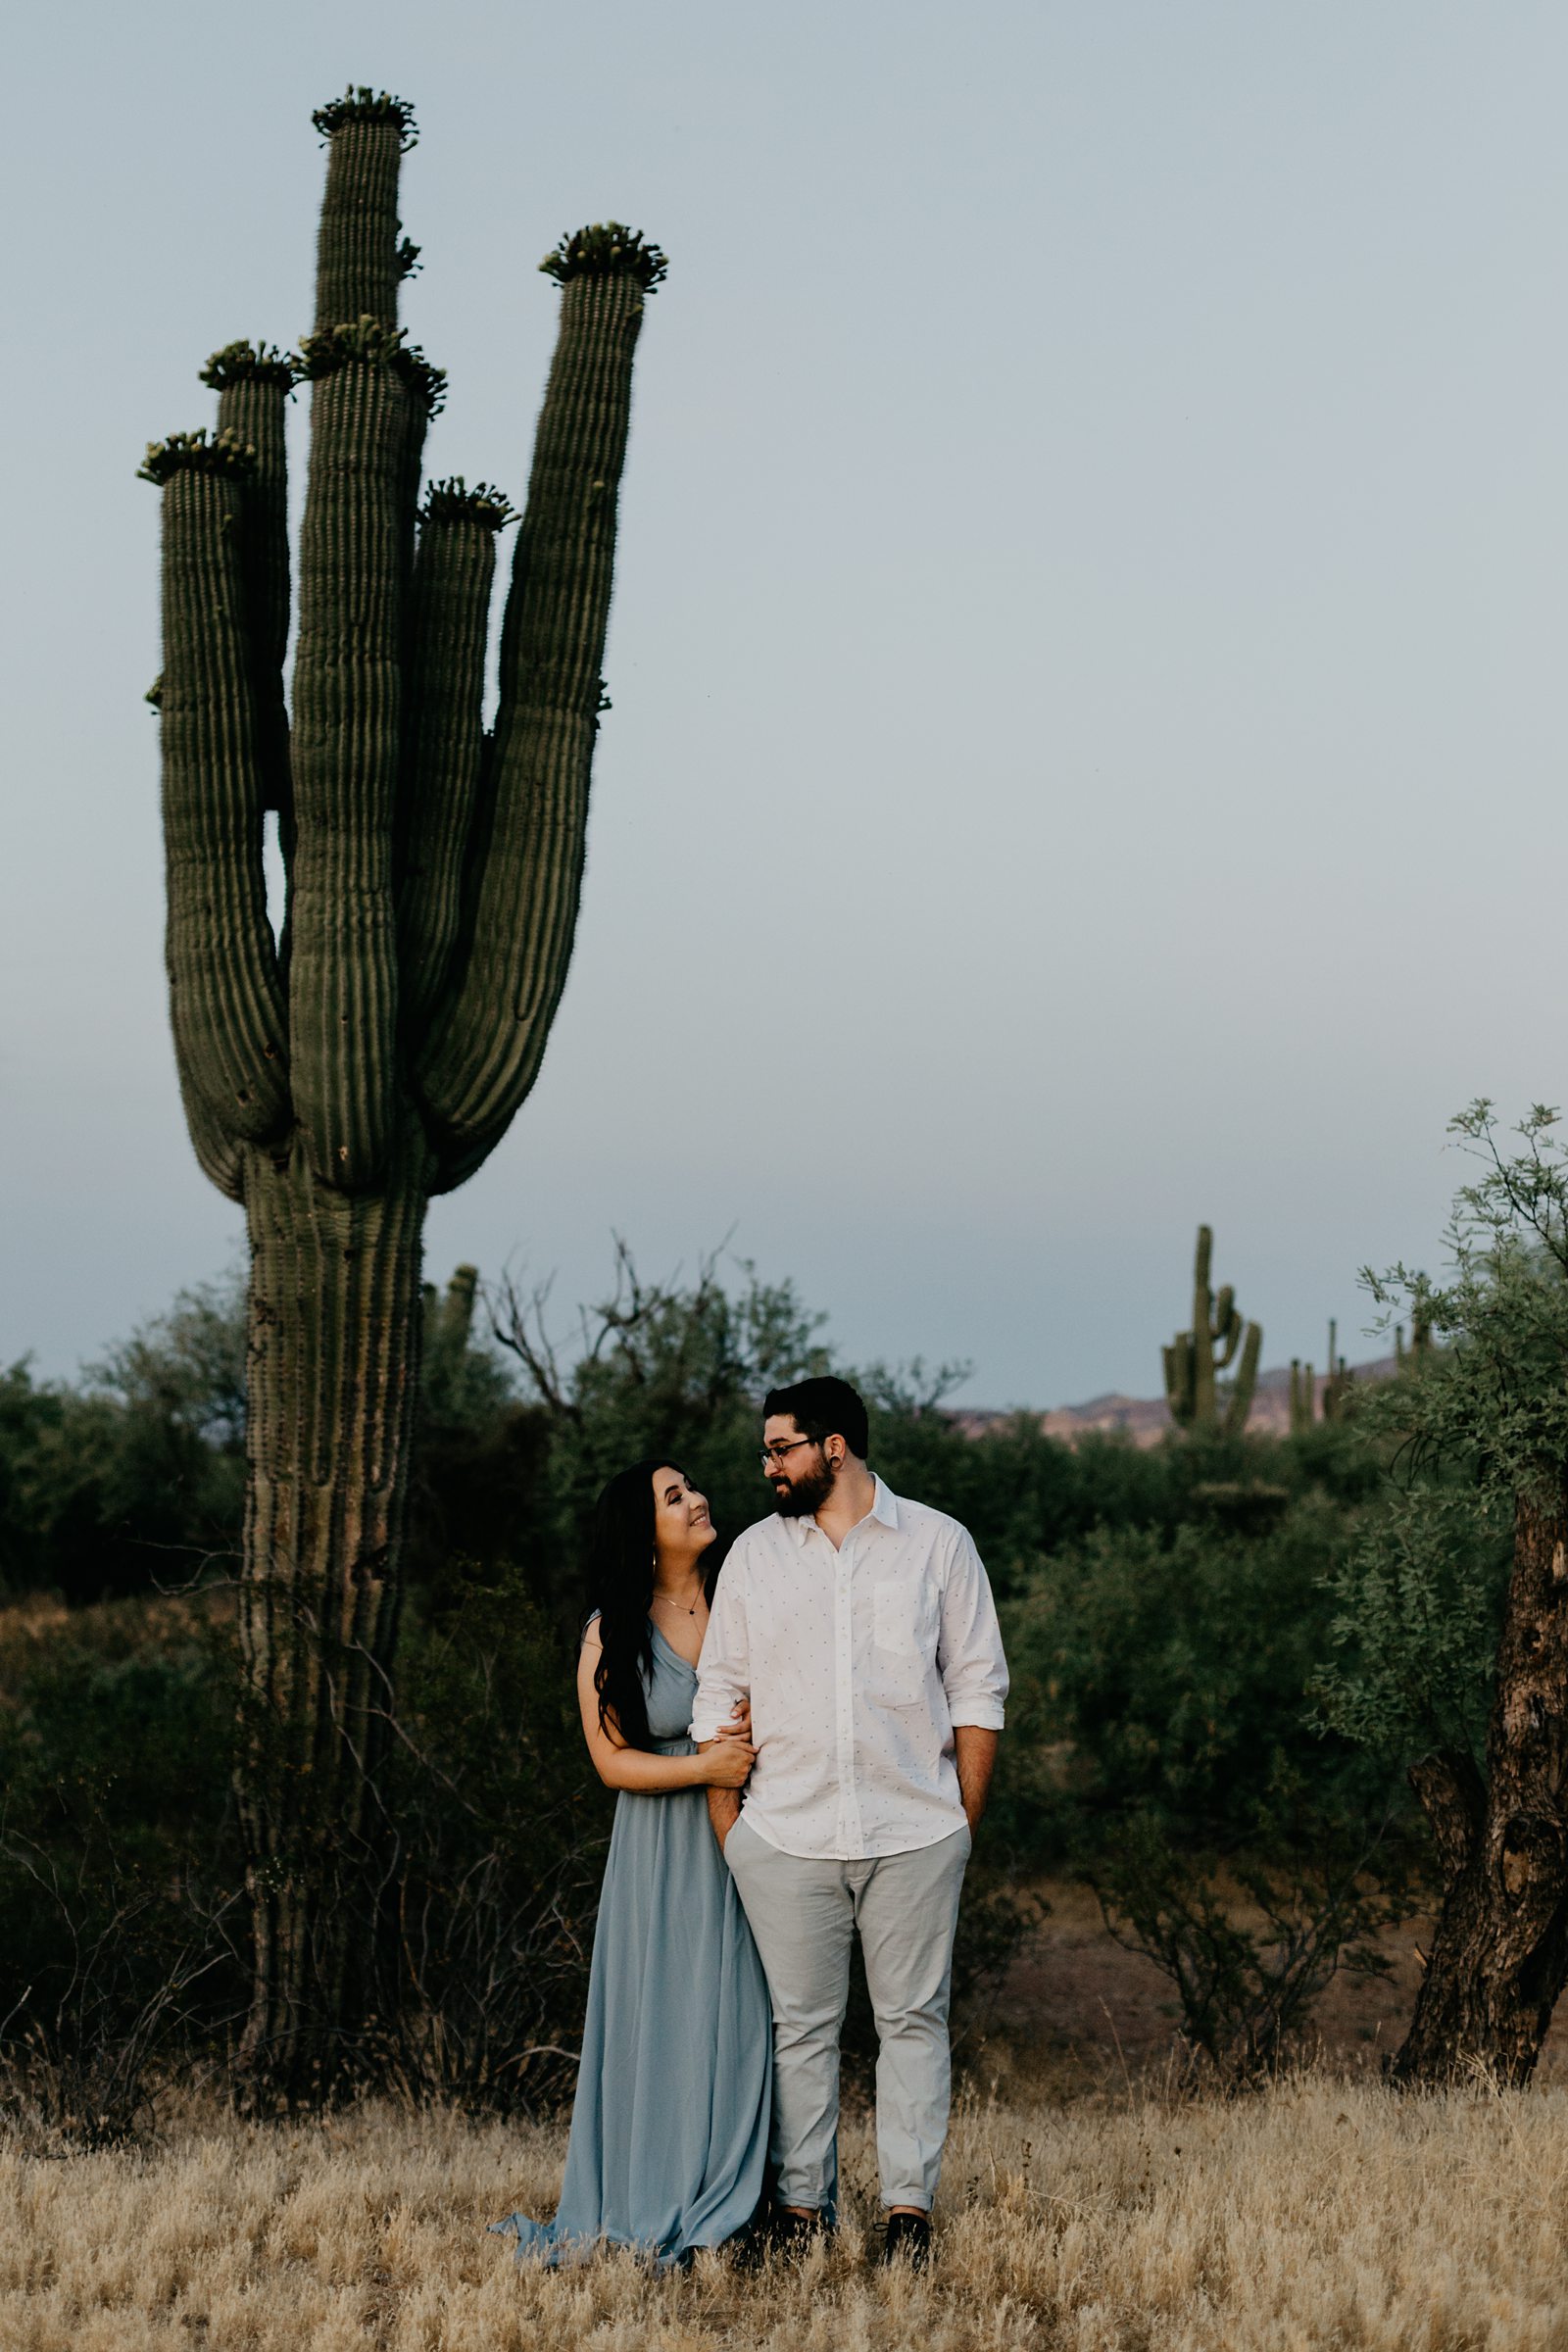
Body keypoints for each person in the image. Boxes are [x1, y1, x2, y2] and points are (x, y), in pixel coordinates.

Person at [692, 1376, 1007, 2271]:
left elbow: (978, 1686)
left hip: (915, 1829)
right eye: (765, 1451)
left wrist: (960, 1823)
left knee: (914, 2020)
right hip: (786, 1835)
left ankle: (909, 2214)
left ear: (834, 1447)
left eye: (780, 1448)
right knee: (801, 2027)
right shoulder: (754, 1555)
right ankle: (802, 2211)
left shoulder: (938, 1545)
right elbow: (721, 1694)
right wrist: (735, 1834)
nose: (767, 1468)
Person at [494, 1460, 772, 2267]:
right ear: (639, 1531)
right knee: (669, 2020)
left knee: (751, 2018)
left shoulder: (744, 1600)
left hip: (760, 1836)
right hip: (661, 1852)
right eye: (673, 1497)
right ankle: (660, 2194)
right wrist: (704, 1769)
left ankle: (751, 2199)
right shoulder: (610, 1630)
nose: (696, 1501)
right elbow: (611, 1761)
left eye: (692, 1487)